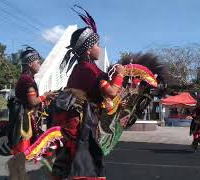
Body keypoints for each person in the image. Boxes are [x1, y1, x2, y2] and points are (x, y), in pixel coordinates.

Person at [50, 6, 126, 180]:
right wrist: (120, 73)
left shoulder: (79, 69)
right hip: (82, 126)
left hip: (72, 122)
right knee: (86, 163)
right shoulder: (92, 70)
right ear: (88, 49)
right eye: (97, 44)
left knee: (68, 161)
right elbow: (112, 93)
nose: (100, 48)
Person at [8, 46, 57, 154]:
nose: (40, 64)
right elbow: (33, 102)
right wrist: (45, 96)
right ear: (30, 64)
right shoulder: (27, 80)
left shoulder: (26, 78)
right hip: (24, 120)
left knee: (27, 152)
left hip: (25, 117)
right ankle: (17, 169)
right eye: (38, 62)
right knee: (23, 153)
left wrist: (44, 100)